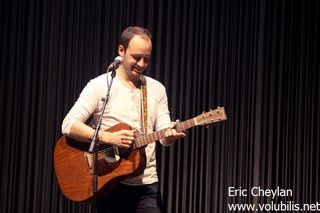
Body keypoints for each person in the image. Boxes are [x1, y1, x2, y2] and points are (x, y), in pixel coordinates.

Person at [61, 26, 185, 212]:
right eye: (136, 57)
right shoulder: (101, 85)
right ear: (121, 51)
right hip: (109, 182)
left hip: (147, 184)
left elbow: (163, 136)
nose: (142, 64)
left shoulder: (156, 88)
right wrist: (106, 137)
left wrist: (170, 136)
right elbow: (68, 124)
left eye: (147, 59)